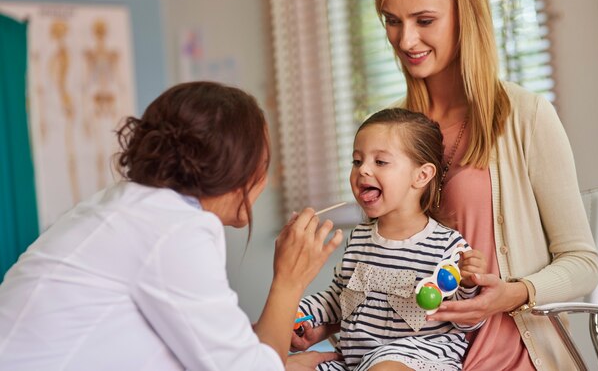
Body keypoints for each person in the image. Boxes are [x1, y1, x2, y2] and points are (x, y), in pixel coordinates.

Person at [294, 0, 598, 370]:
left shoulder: (525, 116)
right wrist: (323, 323)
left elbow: (583, 263)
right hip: (401, 355)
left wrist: (512, 292)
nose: (404, 41)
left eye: (424, 20)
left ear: (465, 17)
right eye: (392, 20)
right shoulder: (392, 134)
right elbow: (386, 270)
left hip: (504, 352)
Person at [0, 81, 342, 370]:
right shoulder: (174, 232)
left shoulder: (128, 206)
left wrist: (265, 352)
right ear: (236, 167)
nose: (264, 180)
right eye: (263, 163)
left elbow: (211, 349)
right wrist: (289, 279)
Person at [292, 108, 488, 370]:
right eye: (357, 161)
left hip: (419, 358)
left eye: (380, 162)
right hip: (357, 361)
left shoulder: (448, 245)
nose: (363, 171)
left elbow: (469, 321)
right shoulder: (359, 239)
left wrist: (466, 284)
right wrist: (301, 313)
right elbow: (339, 298)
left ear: (422, 176)